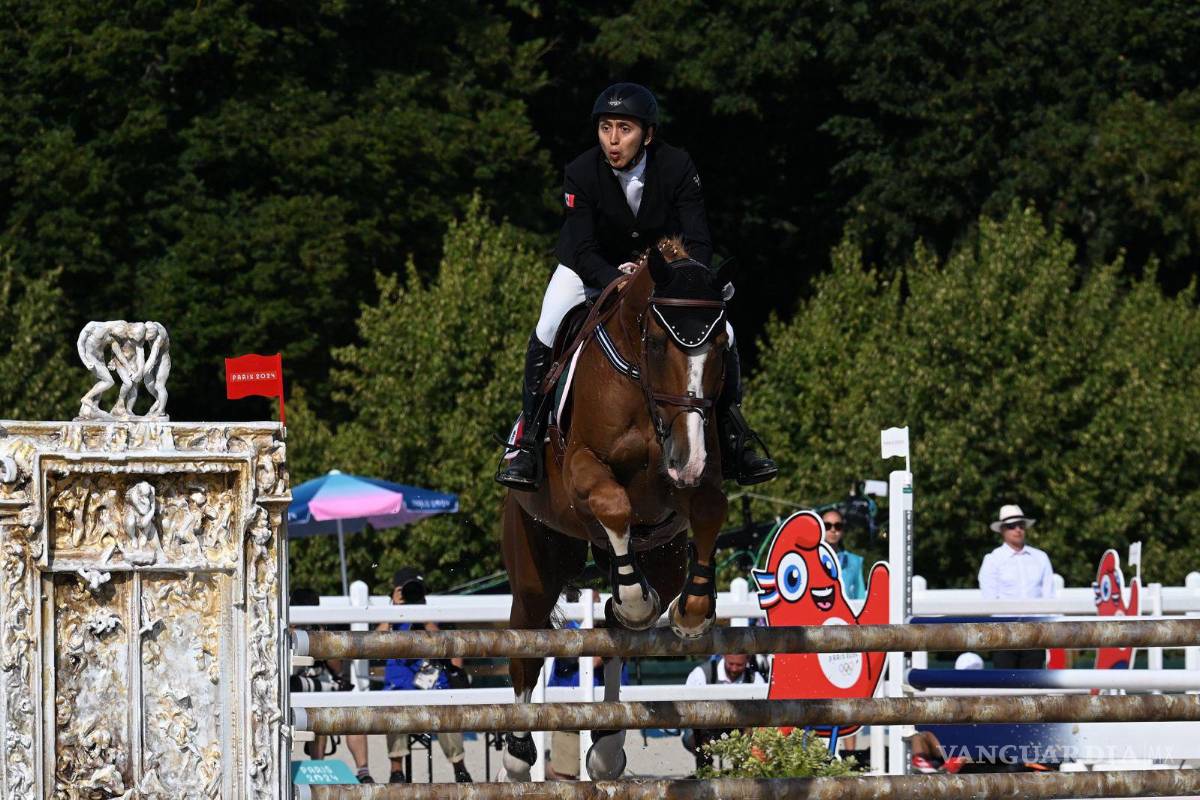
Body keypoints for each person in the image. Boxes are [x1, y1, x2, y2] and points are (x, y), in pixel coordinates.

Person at [495, 82, 776, 492]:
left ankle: (734, 438)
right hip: (588, 269)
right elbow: (585, 247)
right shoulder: (580, 172)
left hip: (663, 275)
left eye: (624, 128)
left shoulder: (678, 167)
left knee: (726, 334)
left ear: (648, 134)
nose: (613, 139)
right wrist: (618, 280)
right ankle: (530, 442)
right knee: (549, 324)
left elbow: (698, 239)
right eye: (605, 127)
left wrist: (684, 277)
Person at [378, 568, 473, 784]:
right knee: (394, 708)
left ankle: (460, 769)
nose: (414, 597)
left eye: (418, 593)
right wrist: (394, 611)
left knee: (446, 712)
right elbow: (373, 643)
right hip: (400, 692)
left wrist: (425, 619)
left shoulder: (433, 618)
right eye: (408, 591)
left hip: (434, 691)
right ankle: (396, 772)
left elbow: (448, 647)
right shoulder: (391, 619)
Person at [289, 588, 374, 782]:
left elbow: (336, 667)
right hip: (294, 688)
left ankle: (363, 772)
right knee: (317, 713)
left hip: (320, 685)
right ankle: (319, 766)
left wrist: (322, 638)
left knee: (353, 713)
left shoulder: (320, 628)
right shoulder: (285, 628)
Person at [977, 504, 1056, 669]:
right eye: (1012, 526)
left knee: (1033, 686)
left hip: (1035, 632)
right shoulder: (993, 559)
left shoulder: (1040, 557)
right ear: (1002, 530)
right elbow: (990, 601)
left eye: (1021, 525)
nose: (1018, 529)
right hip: (1004, 632)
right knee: (1005, 687)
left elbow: (1049, 598)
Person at [682, 653, 764, 772]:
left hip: (739, 732)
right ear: (724, 656)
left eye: (739, 665)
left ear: (748, 659)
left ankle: (743, 771)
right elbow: (688, 707)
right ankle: (704, 770)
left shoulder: (755, 678)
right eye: (731, 664)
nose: (734, 669)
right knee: (692, 735)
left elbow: (762, 711)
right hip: (706, 730)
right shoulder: (701, 674)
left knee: (755, 732)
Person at [821, 508, 865, 600]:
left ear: (842, 530)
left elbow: (860, 596)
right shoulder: (810, 559)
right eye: (827, 526)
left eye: (838, 526)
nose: (833, 530)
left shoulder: (855, 561)